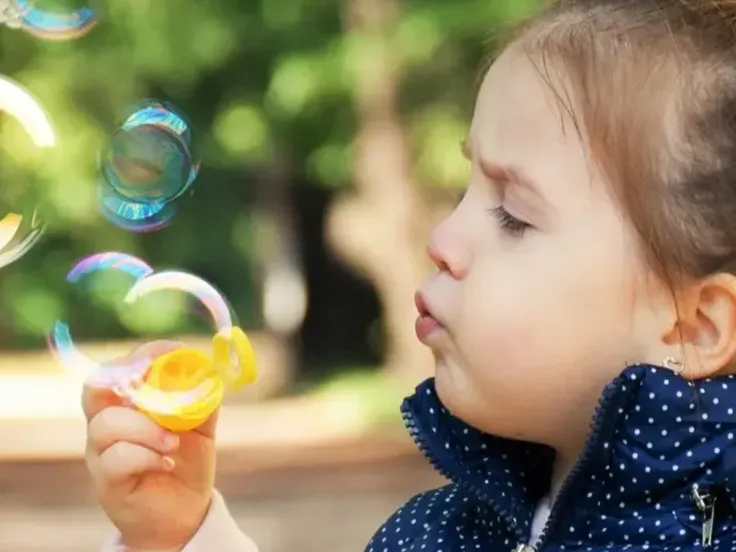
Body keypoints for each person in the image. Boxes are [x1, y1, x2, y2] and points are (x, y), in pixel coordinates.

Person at [87, 1, 736, 550]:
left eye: (512, 215)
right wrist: (182, 532)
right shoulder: (441, 532)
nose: (443, 239)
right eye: (465, 190)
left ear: (693, 326)